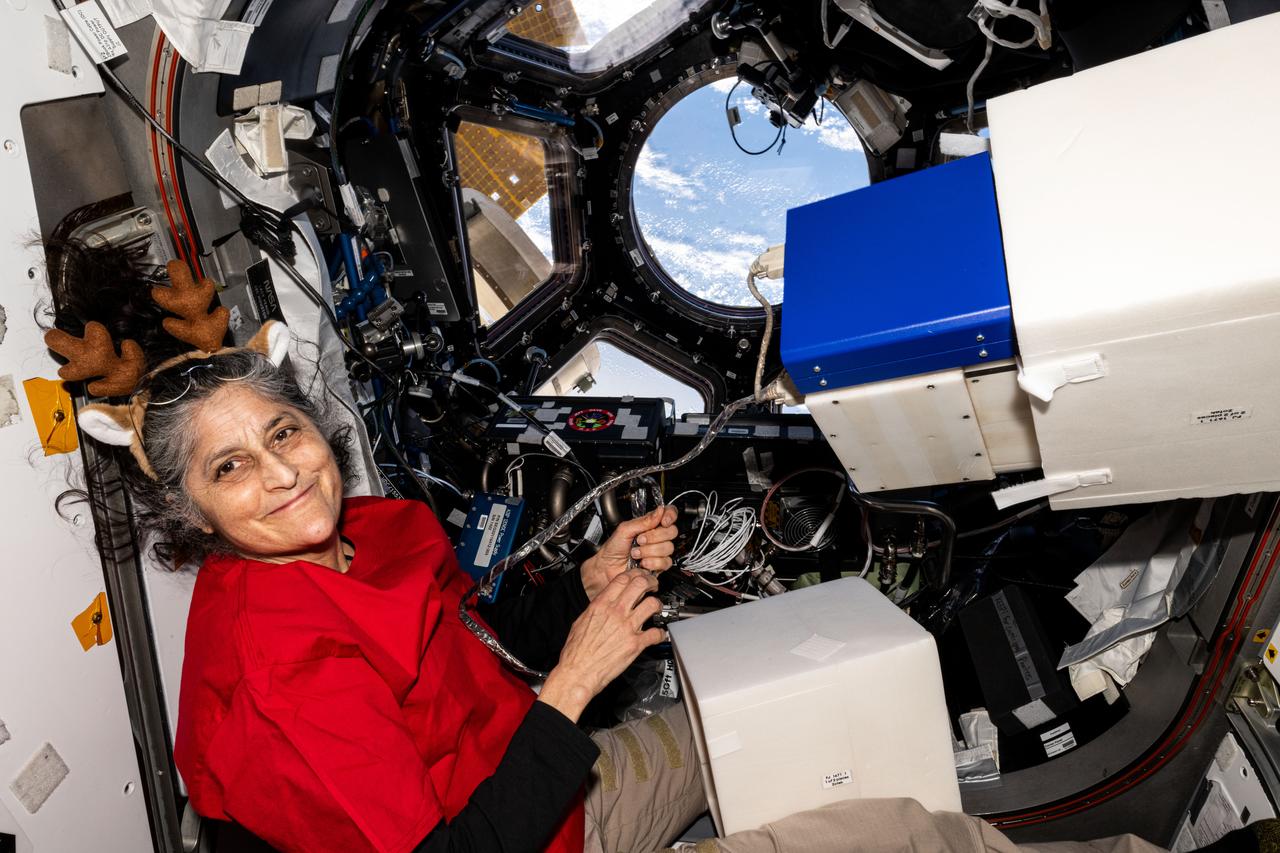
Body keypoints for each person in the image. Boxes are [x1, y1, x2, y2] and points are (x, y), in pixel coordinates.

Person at [49, 259, 1240, 853]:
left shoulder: (360, 530)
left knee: (770, 719)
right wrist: (572, 676)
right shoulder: (275, 680)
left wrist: (586, 584)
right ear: (190, 514)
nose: (284, 474)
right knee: (901, 839)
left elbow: (463, 643)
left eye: (283, 432)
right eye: (230, 470)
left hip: (537, 779)